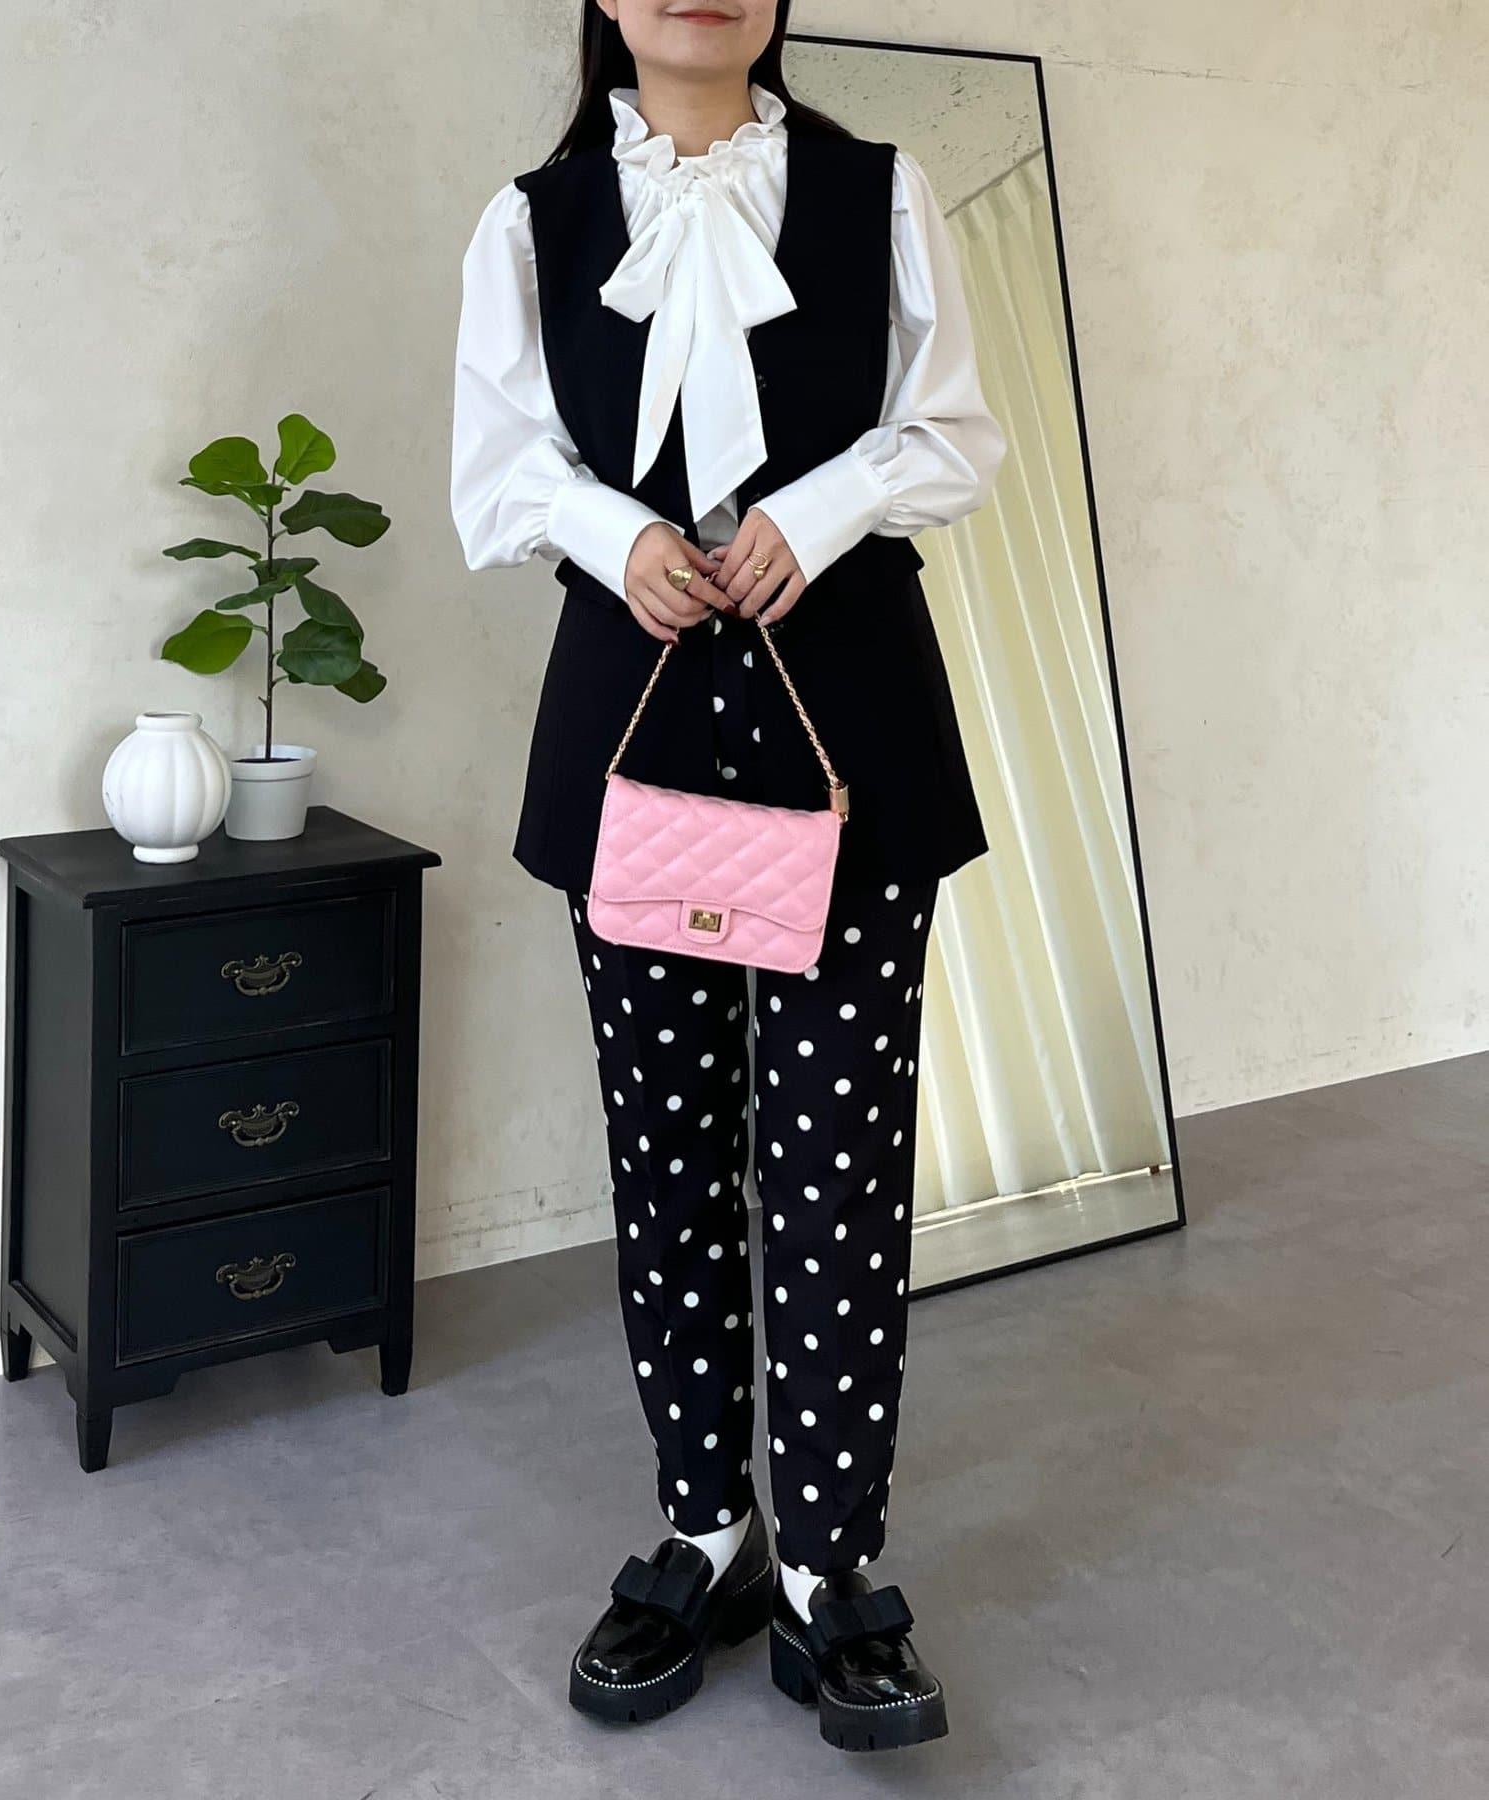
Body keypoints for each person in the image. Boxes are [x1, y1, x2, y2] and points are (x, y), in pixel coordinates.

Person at [451, 0, 1006, 1755]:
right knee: (669, 1156)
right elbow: (499, 469)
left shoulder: (881, 192)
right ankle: (709, 1530)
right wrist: (616, 533)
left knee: (839, 1167)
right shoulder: (529, 223)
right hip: (633, 742)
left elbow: (954, 432)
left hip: (852, 738)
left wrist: (816, 515)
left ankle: (832, 1566)